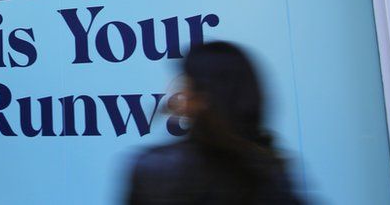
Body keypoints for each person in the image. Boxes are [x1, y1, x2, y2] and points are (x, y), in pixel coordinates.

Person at [126, 41, 301, 204]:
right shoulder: (272, 170)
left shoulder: (157, 170)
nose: (180, 96)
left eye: (187, 86)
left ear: (198, 100)